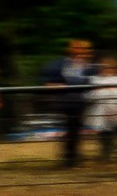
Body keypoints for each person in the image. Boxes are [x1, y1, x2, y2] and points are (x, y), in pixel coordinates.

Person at [42, 39, 97, 167]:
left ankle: (72, 155)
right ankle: (69, 156)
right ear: (70, 50)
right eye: (78, 48)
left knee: (75, 129)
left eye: (85, 49)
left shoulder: (91, 67)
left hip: (83, 101)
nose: (82, 52)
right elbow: (50, 83)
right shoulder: (59, 64)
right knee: (71, 128)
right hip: (66, 102)